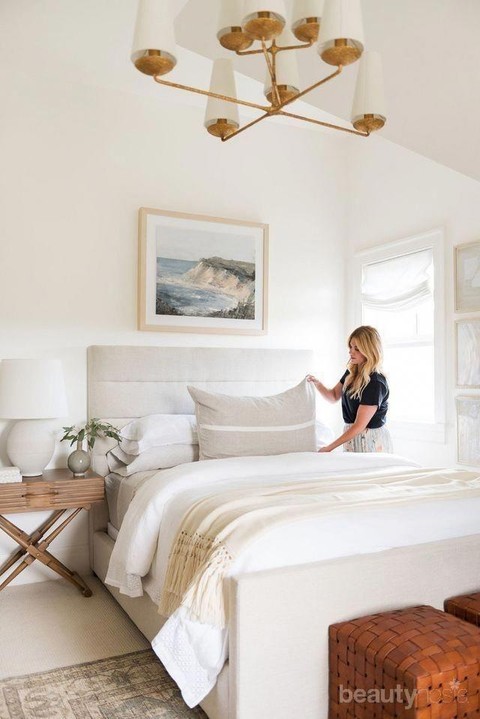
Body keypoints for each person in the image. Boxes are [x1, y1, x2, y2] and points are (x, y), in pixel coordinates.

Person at [307, 326, 393, 453]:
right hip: (352, 436)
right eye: (351, 347)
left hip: (370, 440)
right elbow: (333, 396)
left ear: (369, 350)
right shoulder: (352, 372)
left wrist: (329, 448)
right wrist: (317, 383)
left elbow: (359, 425)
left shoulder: (375, 382)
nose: (351, 352)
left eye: (357, 348)